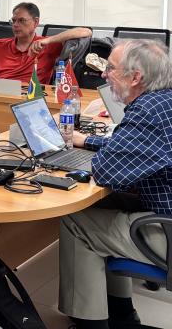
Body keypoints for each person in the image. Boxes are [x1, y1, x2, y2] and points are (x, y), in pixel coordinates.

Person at [60, 40, 172, 329]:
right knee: (108, 204)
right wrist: (87, 141)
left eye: (110, 68)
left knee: (76, 219)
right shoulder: (164, 102)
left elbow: (107, 171)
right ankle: (122, 314)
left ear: (136, 78)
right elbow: (138, 149)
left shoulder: (146, 112)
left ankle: (91, 324)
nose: (103, 74)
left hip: (167, 231)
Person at [0, 2, 92, 83]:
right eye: (13, 21)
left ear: (35, 22)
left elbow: (86, 32)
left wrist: (48, 40)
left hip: (30, 97)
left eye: (21, 21)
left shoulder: (47, 46)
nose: (16, 25)